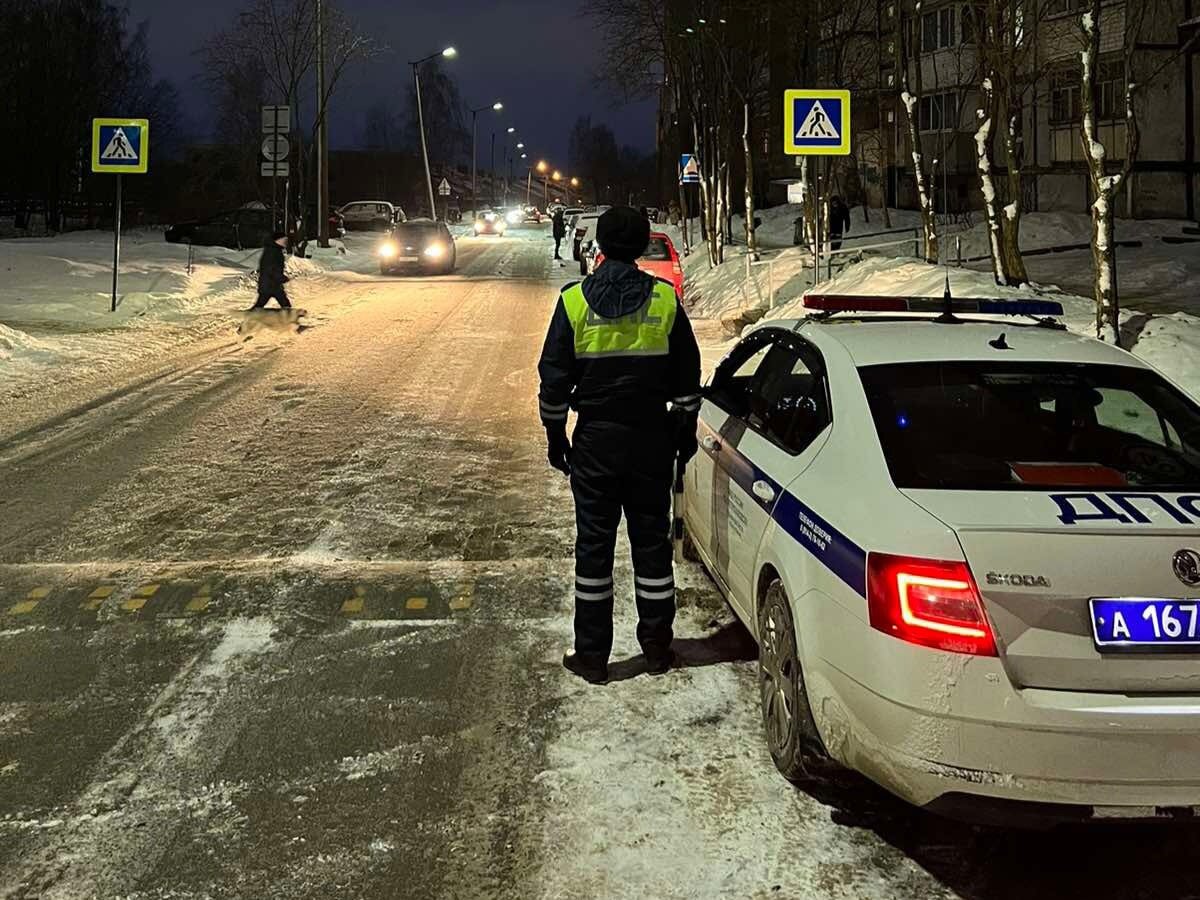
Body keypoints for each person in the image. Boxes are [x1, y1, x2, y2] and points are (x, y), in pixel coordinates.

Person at [537, 207, 702, 685]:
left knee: (593, 550)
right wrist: (683, 433)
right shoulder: (665, 302)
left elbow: (553, 381)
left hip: (596, 443)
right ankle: (655, 648)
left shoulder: (573, 303)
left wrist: (556, 437)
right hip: (651, 440)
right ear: (638, 247)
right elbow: (687, 379)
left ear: (601, 246)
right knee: (652, 548)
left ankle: (592, 657)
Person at [253, 231, 292, 310]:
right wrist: (281, 278)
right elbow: (270, 268)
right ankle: (288, 316)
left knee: (261, 303)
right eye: (284, 240)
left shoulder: (274, 250)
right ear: (278, 240)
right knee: (285, 304)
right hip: (270, 284)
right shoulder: (272, 251)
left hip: (271, 284)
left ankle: (253, 313)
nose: (286, 242)